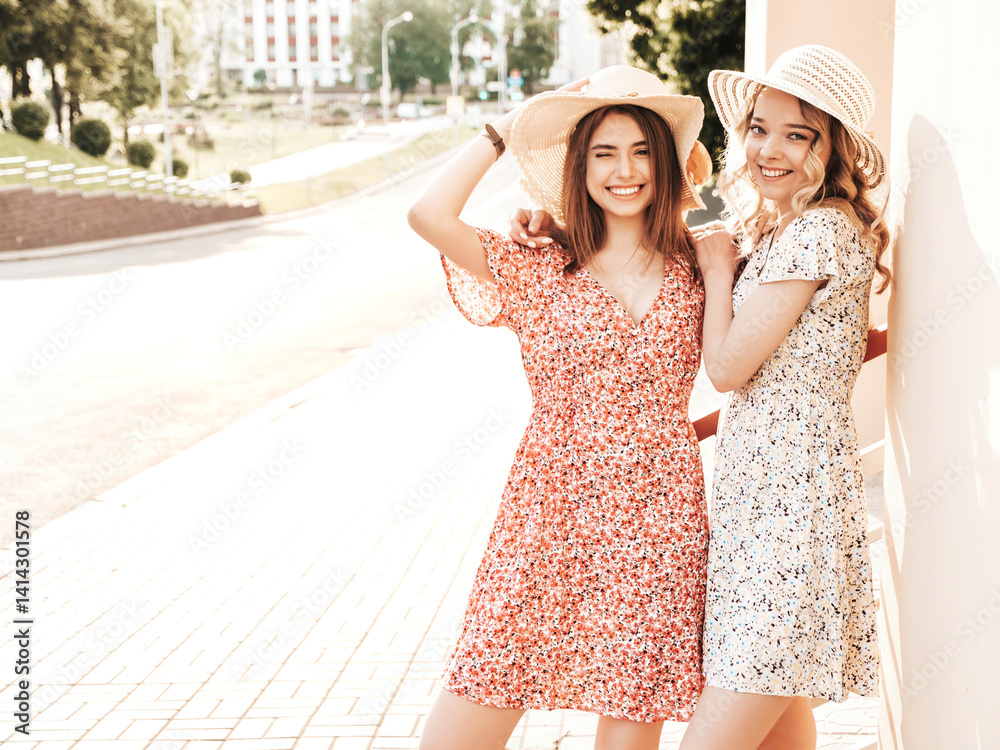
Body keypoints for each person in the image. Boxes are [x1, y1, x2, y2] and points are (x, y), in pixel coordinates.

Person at [407, 66, 714, 750]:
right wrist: (507, 131)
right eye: (603, 152)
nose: (624, 170)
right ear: (580, 167)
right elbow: (427, 215)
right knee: (461, 725)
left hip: (659, 524)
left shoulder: (703, 266)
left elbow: (754, 360)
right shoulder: (539, 265)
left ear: (665, 164)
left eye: (642, 151)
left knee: (631, 725)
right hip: (548, 514)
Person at [677, 45, 891, 750]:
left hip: (788, 514)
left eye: (797, 134)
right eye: (759, 128)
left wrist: (714, 267)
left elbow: (730, 366)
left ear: (832, 150)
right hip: (762, 501)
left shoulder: (818, 231)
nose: (770, 150)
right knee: (778, 736)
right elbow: (789, 377)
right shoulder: (783, 228)